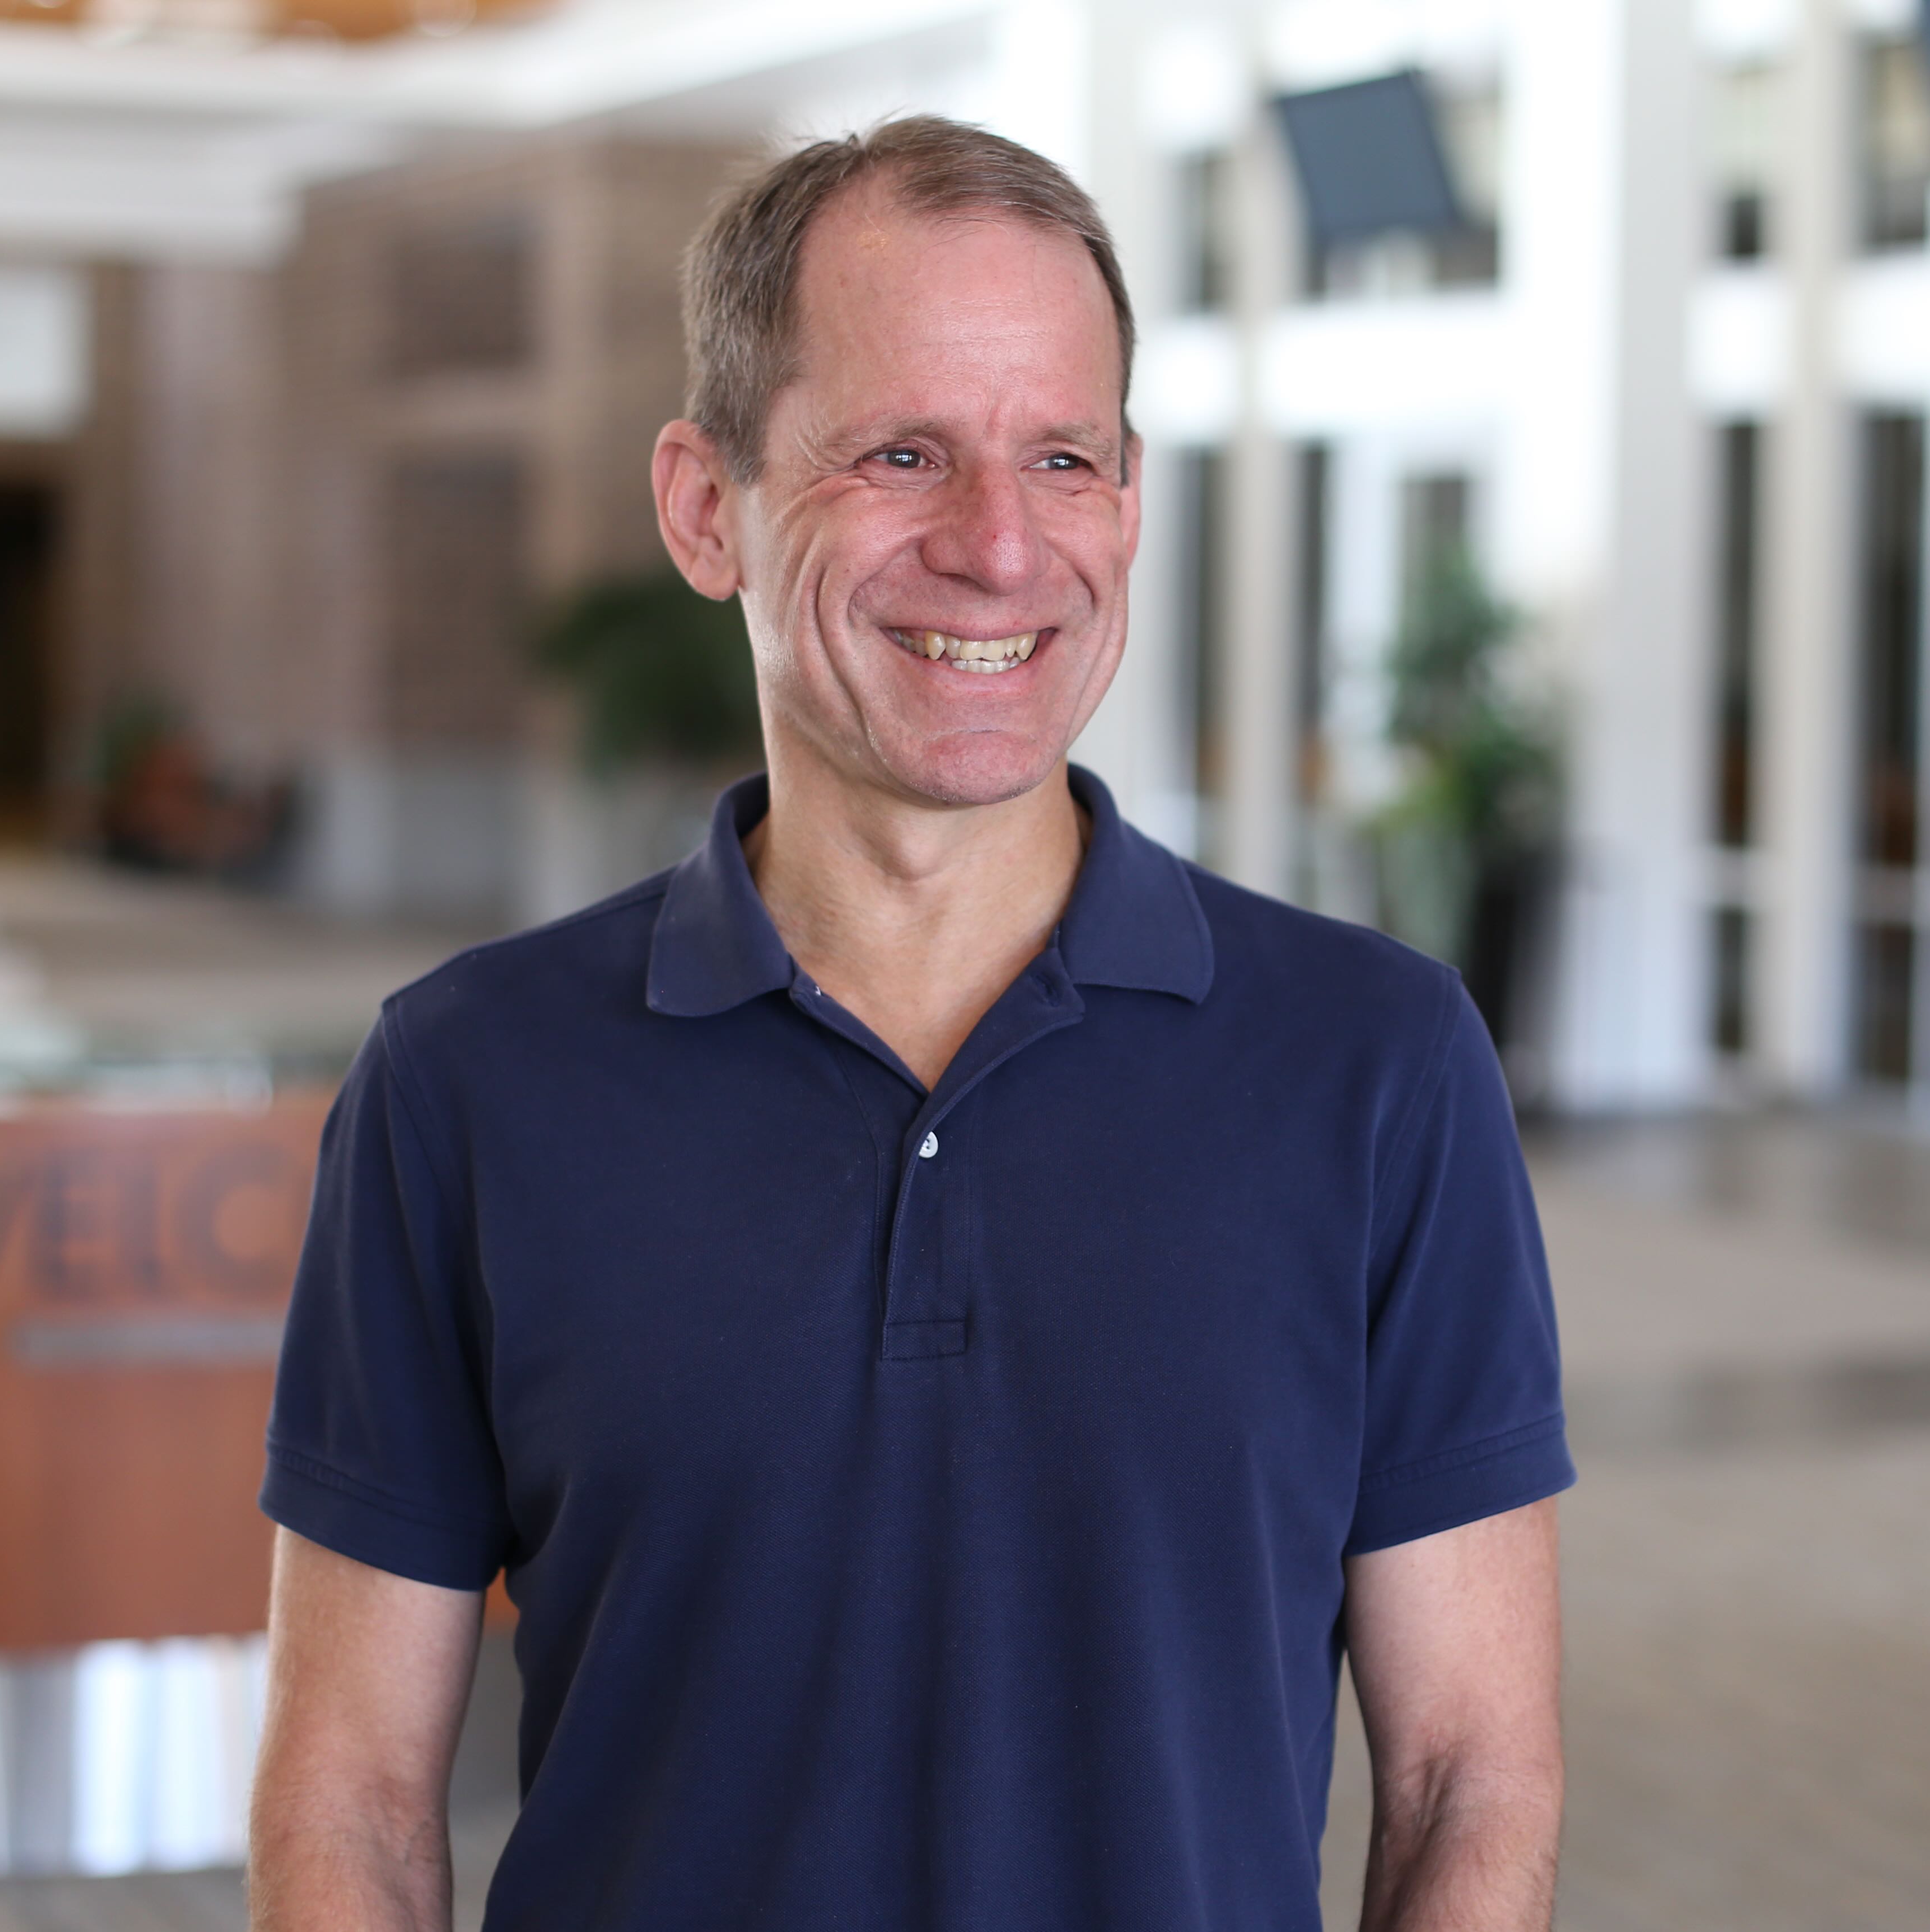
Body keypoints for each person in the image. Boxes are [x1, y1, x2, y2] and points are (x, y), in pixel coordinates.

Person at [248, 116, 1570, 1932]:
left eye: (1065, 457)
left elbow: (1467, 1785)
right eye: (902, 453)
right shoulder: (466, 1081)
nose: (1001, 546)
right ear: (708, 507)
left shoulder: (1379, 1067)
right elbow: (349, 1807)